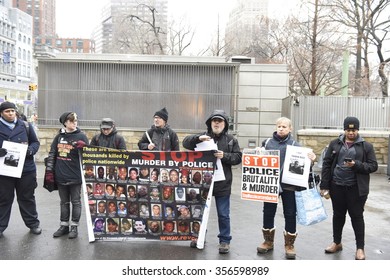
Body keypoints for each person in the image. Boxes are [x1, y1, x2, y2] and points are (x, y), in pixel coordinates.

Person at [256, 117, 316, 259]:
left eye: (284, 126)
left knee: (290, 213)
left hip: (290, 184)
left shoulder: (296, 145)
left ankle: (289, 244)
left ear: (290, 129)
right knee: (268, 211)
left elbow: (304, 167)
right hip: (270, 183)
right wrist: (257, 153)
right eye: (279, 126)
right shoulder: (267, 143)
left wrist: (311, 160)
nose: (281, 128)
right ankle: (268, 241)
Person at [183, 109, 242, 254]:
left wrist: (225, 156)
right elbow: (185, 143)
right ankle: (198, 236)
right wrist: (198, 138)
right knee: (200, 212)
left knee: (223, 214)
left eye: (220, 121)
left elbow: (238, 158)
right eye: (214, 120)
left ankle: (224, 241)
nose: (217, 123)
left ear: (225, 123)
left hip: (223, 183)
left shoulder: (231, 140)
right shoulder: (203, 137)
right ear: (210, 123)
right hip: (204, 183)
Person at [320, 117, 378, 260]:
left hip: (356, 189)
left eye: (354, 130)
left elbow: (373, 166)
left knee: (357, 217)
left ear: (358, 130)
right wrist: (324, 185)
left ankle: (360, 248)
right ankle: (337, 242)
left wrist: (356, 164)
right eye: (348, 130)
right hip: (337, 186)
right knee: (338, 216)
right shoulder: (335, 143)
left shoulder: (366, 146)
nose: (351, 132)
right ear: (344, 130)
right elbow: (327, 165)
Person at [0, 102, 41, 238]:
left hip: (26, 169)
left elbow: (35, 142)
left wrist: (30, 150)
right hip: (5, 171)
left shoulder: (25, 125)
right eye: (7, 111)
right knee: (4, 198)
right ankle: (1, 227)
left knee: (27, 197)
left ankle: (33, 224)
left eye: (12, 110)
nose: (11, 113)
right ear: (1, 113)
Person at [45, 112, 89, 239]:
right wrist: (49, 171)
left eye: (75, 120)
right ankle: (64, 226)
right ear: (65, 123)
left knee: (76, 202)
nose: (74, 123)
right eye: (71, 121)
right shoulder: (59, 137)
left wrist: (85, 147)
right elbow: (52, 154)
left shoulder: (81, 136)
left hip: (75, 176)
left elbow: (88, 155)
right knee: (64, 202)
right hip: (61, 175)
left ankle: (74, 227)